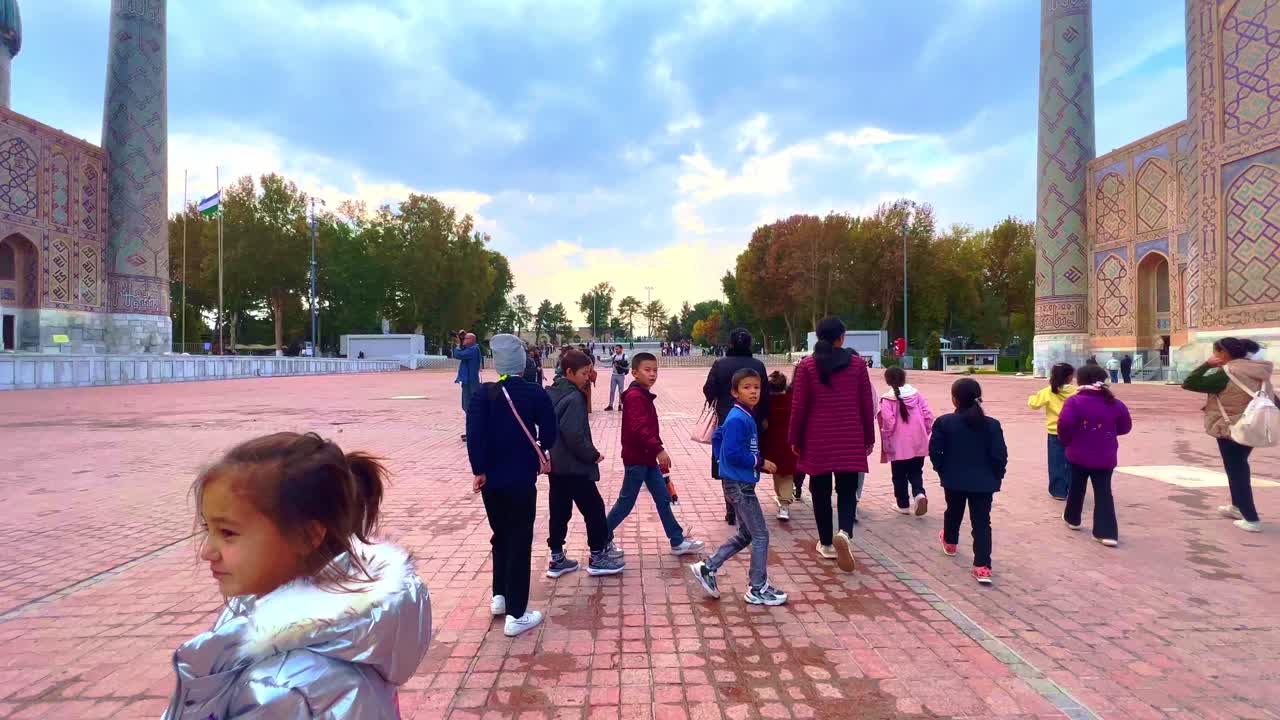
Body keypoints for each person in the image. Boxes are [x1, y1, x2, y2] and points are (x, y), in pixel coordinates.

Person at [165, 432, 431, 719]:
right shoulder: (351, 630)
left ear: (307, 536)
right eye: (208, 529)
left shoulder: (278, 690)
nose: (207, 551)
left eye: (228, 533)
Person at [467, 334, 557, 637]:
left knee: (501, 535)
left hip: (490, 480)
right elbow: (550, 432)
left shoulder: (483, 394)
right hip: (520, 478)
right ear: (523, 363)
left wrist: (478, 469)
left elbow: (474, 435)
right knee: (519, 539)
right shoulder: (534, 393)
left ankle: (500, 596)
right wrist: (541, 451)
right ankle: (517, 614)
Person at [690, 368, 788, 606]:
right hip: (739, 486)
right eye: (747, 387)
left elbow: (718, 438)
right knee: (761, 535)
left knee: (746, 534)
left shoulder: (742, 415)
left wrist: (725, 463)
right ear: (735, 392)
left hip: (739, 483)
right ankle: (757, 588)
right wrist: (758, 462)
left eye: (756, 387)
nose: (753, 391)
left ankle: (708, 567)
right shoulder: (739, 418)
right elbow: (733, 452)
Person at [788, 317, 875, 573]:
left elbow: (799, 406)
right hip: (850, 437)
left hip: (817, 440)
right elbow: (865, 404)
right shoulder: (858, 365)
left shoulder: (807, 366)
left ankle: (826, 543)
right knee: (848, 490)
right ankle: (845, 533)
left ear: (818, 336)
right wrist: (868, 438)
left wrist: (795, 438)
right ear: (841, 337)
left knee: (821, 491)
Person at [605, 352, 704, 557]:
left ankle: (677, 540)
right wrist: (659, 449)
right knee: (626, 502)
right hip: (637, 459)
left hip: (647, 458)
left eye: (655, 370)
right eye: (647, 370)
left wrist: (654, 451)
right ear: (634, 373)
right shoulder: (634, 397)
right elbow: (640, 427)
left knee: (663, 497)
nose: (652, 374)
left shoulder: (641, 394)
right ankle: (601, 537)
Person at [1182, 337, 1277, 533]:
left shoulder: (1226, 373)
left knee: (1237, 471)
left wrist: (1206, 365)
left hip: (1230, 427)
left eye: (1216, 352)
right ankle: (1236, 507)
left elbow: (1190, 383)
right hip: (1253, 424)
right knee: (1237, 466)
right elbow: (1273, 398)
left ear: (1223, 353)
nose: (1214, 356)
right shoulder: (1259, 371)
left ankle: (1251, 518)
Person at [545, 350, 625, 578]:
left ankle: (557, 557)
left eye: (589, 372)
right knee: (594, 509)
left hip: (557, 465)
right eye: (583, 373)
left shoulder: (551, 393)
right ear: (569, 372)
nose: (587, 377)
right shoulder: (574, 397)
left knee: (559, 510)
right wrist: (592, 455)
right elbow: (574, 434)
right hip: (575, 466)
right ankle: (598, 556)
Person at [929, 378, 1008, 585]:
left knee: (953, 511)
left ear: (954, 400)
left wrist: (942, 471)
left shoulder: (944, 422)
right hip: (984, 482)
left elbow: (935, 452)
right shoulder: (992, 424)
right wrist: (996, 476)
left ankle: (950, 542)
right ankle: (982, 566)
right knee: (981, 522)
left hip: (953, 479)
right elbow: (999, 455)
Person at [1058, 364, 1132, 547]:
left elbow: (1065, 426)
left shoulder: (1074, 402)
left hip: (1078, 453)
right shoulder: (1116, 403)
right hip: (1105, 454)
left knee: (1077, 485)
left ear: (1081, 380)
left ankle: (1072, 518)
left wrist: (1068, 441)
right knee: (1104, 491)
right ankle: (1106, 532)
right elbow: (1125, 427)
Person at [703, 328, 771, 525]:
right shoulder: (757, 365)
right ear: (749, 344)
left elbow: (708, 389)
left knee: (727, 460)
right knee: (750, 456)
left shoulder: (720, 364)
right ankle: (746, 502)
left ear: (730, 344)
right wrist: (765, 416)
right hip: (752, 418)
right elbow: (765, 394)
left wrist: (719, 401)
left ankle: (731, 509)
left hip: (727, 417)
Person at [878, 366, 934, 517]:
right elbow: (928, 415)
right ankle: (919, 494)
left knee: (899, 475)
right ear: (904, 378)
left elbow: (888, 422)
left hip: (899, 444)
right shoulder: (917, 394)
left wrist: (886, 438)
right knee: (916, 471)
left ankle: (903, 504)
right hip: (918, 441)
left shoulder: (887, 399)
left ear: (888, 381)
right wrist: (925, 432)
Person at [1028, 362, 1078, 501]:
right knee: (1073, 461)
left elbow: (1034, 404)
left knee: (1056, 462)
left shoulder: (1048, 391)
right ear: (1069, 377)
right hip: (1074, 431)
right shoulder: (1077, 391)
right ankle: (1072, 488)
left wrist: (1032, 397)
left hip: (1055, 431)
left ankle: (1058, 491)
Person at [762, 371, 799, 520]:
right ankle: (784, 505)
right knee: (786, 475)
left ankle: (781, 498)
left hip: (770, 444)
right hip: (788, 444)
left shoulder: (765, 403)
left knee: (776, 472)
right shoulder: (792, 401)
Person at [453, 331, 482, 441]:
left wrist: (457, 343)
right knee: (466, 406)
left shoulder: (473, 349)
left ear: (472, 340)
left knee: (471, 406)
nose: (464, 340)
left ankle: (474, 432)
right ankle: (471, 431)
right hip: (468, 381)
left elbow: (458, 354)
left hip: (472, 382)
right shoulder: (471, 349)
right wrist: (460, 340)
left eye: (466, 338)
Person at [606, 345, 629, 411]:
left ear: (621, 349)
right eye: (615, 349)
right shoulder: (614, 355)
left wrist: (619, 365)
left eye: (617, 349)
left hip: (621, 376)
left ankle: (620, 405)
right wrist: (601, 359)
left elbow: (627, 367)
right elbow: (608, 359)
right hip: (614, 375)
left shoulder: (625, 356)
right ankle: (610, 405)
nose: (616, 350)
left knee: (621, 391)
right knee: (612, 391)